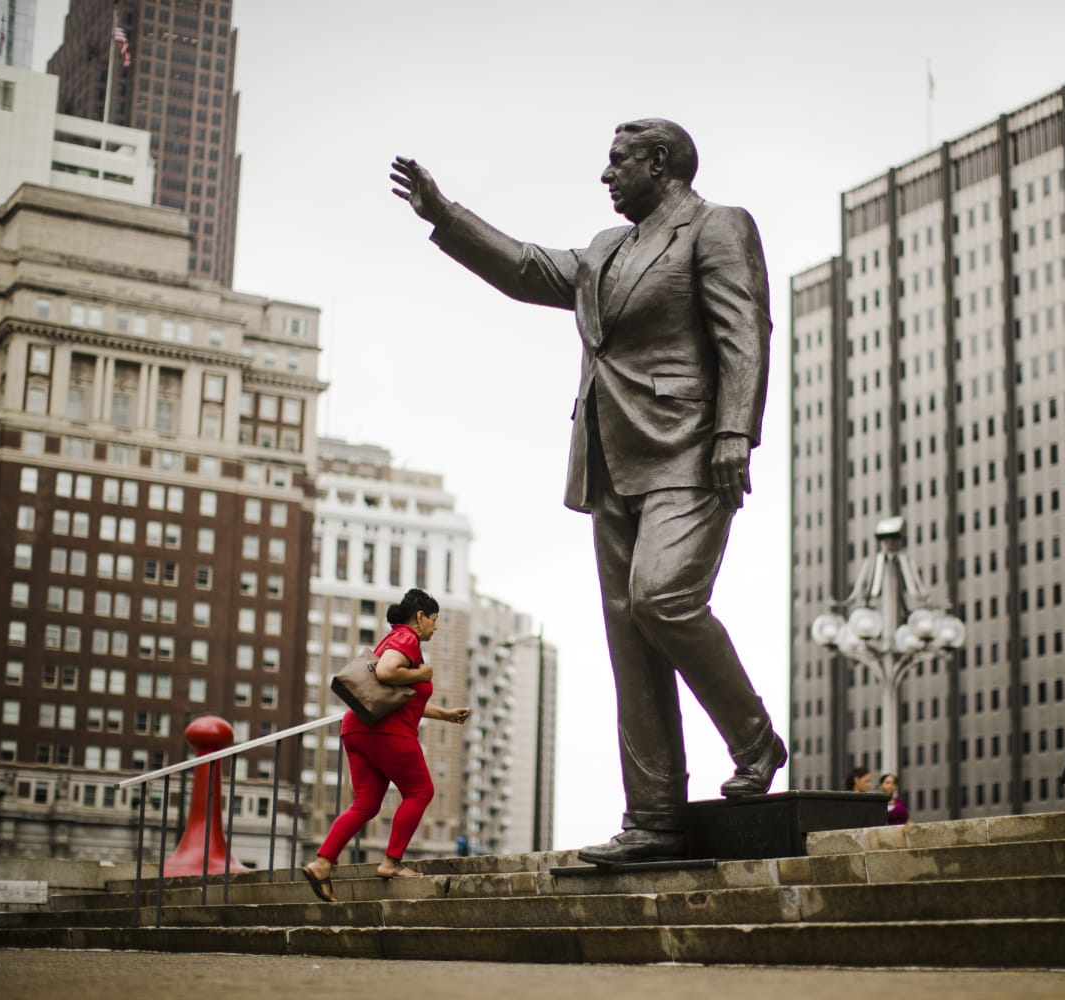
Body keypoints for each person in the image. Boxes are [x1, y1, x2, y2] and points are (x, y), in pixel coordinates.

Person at [390, 119, 785, 866]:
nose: (605, 176)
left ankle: (755, 738)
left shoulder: (717, 226)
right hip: (609, 460)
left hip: (691, 451)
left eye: (617, 162)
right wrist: (445, 214)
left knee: (662, 598)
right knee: (630, 646)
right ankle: (654, 818)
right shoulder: (606, 250)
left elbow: (745, 333)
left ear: (660, 163)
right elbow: (526, 269)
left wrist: (737, 431)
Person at [302, 589, 470, 902]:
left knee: (365, 805)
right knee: (421, 792)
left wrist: (445, 714)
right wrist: (423, 672)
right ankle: (391, 863)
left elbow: (399, 697)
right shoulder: (407, 639)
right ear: (420, 617)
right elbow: (386, 672)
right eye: (434, 620)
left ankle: (322, 864)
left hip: (358, 729)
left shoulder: (391, 639)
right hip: (387, 733)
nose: (436, 627)